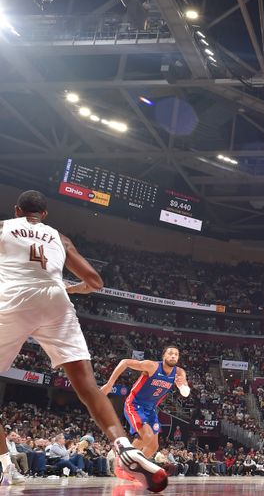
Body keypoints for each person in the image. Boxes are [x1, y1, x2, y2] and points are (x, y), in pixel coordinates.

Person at [0, 190, 167, 492]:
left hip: (13, 298)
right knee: (88, 386)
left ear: (17, 210)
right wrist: (72, 289)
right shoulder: (59, 238)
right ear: (45, 215)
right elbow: (95, 282)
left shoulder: (4, 227)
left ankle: (5, 466)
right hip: (56, 300)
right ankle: (123, 446)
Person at [99, 346, 189, 471]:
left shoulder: (179, 372)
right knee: (146, 435)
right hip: (135, 404)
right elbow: (124, 362)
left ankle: (133, 468)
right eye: (170, 353)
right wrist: (110, 384)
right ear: (163, 356)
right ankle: (122, 465)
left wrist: (182, 386)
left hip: (151, 409)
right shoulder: (152, 366)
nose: (173, 356)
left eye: (176, 354)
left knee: (153, 447)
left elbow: (185, 392)